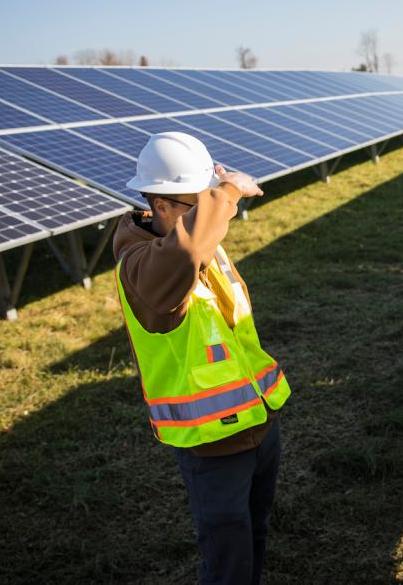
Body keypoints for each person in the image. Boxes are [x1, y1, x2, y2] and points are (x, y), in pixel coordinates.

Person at [113, 131, 291, 585]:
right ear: (160, 204)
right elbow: (187, 250)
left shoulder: (191, 237)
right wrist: (229, 191)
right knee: (227, 561)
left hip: (257, 422)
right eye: (198, 202)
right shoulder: (145, 268)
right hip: (212, 446)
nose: (213, 212)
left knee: (254, 538)